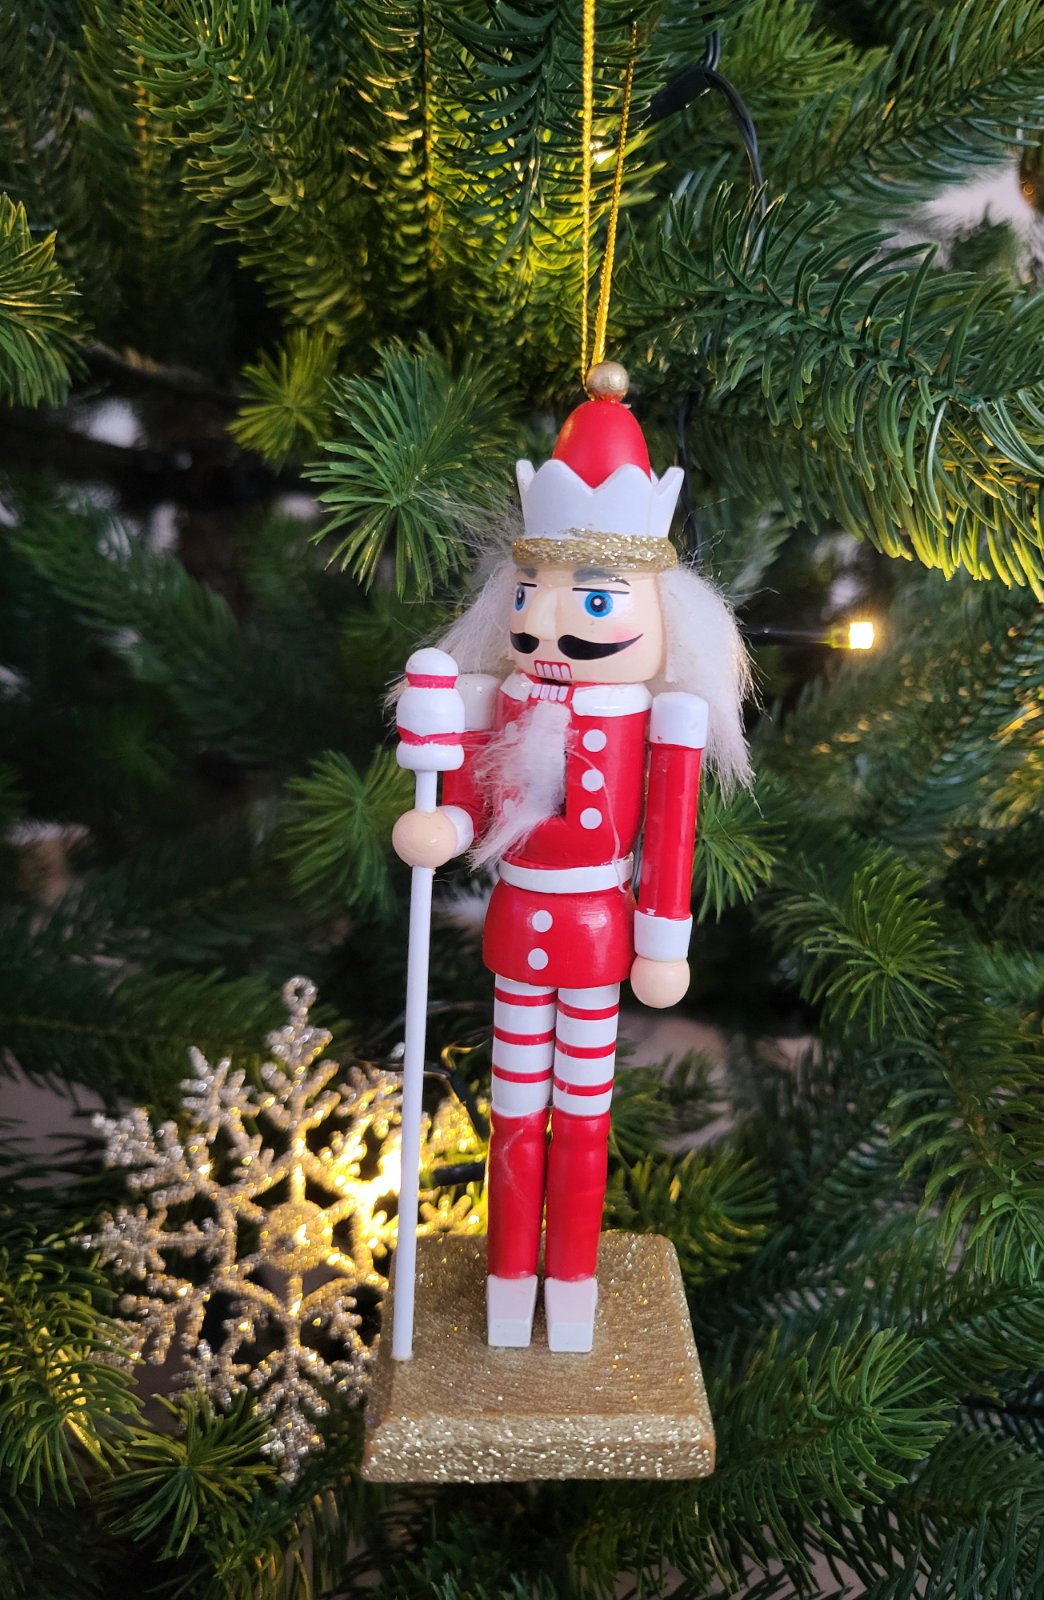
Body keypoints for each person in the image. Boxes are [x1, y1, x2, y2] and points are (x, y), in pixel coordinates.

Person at [392, 362, 751, 1351]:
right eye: (531, 595)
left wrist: (663, 940)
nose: (547, 625)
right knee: (514, 1111)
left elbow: (668, 836)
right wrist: (444, 829)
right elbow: (472, 800)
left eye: (594, 603)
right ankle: (510, 1291)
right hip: (519, 926)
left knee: (583, 1117)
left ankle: (573, 1290)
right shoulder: (503, 699)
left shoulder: (661, 720)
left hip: (597, 934)